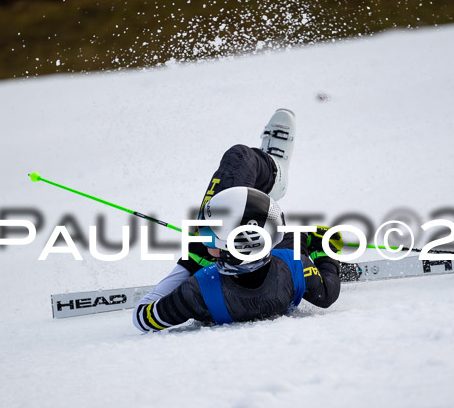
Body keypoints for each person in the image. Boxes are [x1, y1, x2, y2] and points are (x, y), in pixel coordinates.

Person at [133, 109, 342, 332]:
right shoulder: (294, 265)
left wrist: (190, 263)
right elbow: (327, 294)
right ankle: (276, 182)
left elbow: (143, 317)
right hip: (269, 264)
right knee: (295, 237)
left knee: (239, 157)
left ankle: (272, 175)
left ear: (230, 252)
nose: (202, 235)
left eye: (209, 235)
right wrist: (324, 251)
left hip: (245, 269)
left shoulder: (198, 290)